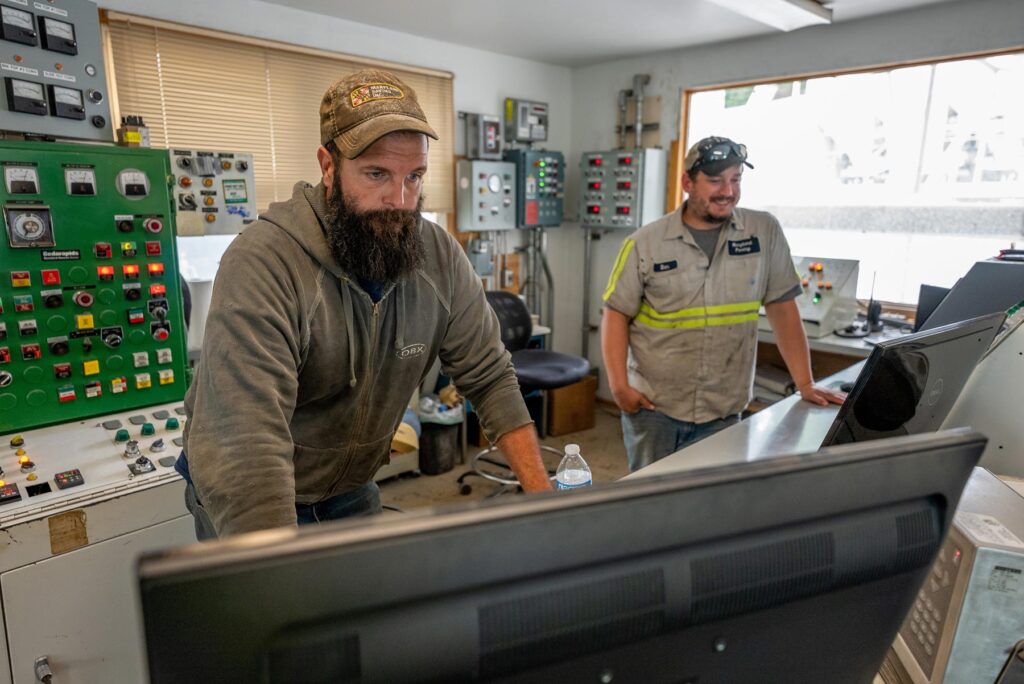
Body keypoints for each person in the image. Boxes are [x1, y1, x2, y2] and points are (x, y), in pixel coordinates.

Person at [177, 69, 551, 539]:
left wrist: (545, 502)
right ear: (328, 166)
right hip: (258, 493)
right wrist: (273, 578)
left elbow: (491, 376)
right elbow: (245, 446)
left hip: (350, 488)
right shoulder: (264, 261)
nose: (398, 199)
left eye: (414, 177)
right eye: (376, 174)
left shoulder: (437, 256)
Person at [601, 136, 846, 472]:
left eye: (735, 179)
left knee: (712, 507)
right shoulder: (645, 243)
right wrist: (618, 387)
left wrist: (805, 383)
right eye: (715, 180)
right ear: (688, 183)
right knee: (651, 505)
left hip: (724, 409)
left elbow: (782, 308)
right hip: (655, 409)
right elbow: (615, 314)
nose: (727, 191)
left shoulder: (763, 232)